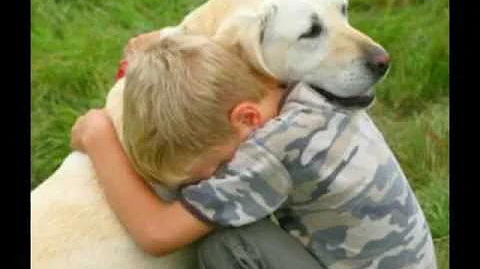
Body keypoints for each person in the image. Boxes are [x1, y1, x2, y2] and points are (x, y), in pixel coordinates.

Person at [71, 33, 437, 268]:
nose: (215, 179)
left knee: (229, 244)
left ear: (246, 118)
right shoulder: (299, 84)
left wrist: (99, 137)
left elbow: (157, 234)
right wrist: (164, 50)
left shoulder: (271, 152)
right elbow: (219, 52)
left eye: (216, 167)